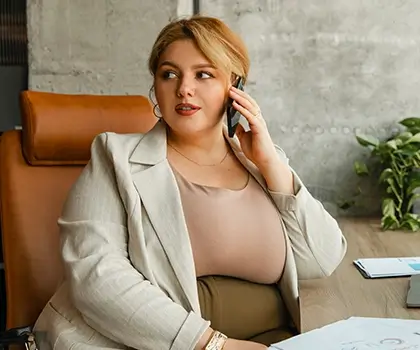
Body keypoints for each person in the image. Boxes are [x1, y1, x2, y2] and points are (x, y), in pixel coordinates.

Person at [33, 15, 347, 350]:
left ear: (235, 86)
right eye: (169, 74)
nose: (184, 88)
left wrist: (271, 164)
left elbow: (322, 259)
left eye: (203, 74)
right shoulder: (115, 157)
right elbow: (97, 278)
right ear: (155, 86)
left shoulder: (262, 162)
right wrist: (215, 345)